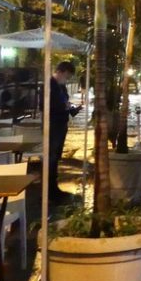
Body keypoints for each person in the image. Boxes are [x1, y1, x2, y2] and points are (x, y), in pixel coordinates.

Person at [48, 61, 81, 203]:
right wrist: (64, 107)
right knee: (51, 157)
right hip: (53, 125)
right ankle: (50, 191)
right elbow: (48, 105)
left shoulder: (61, 87)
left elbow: (65, 102)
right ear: (60, 71)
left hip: (61, 124)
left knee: (56, 157)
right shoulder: (50, 85)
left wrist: (72, 108)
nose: (67, 80)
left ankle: (53, 188)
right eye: (67, 76)